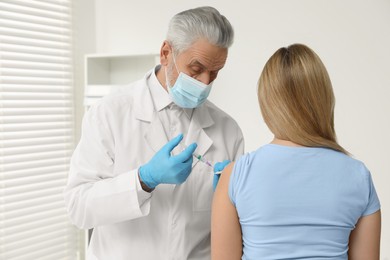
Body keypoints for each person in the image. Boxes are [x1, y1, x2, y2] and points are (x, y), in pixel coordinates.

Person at [64, 6, 244, 260]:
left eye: (214, 72)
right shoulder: (110, 113)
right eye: (196, 68)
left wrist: (230, 204)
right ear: (166, 53)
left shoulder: (228, 131)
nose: (205, 82)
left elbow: (235, 234)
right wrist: (143, 180)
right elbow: (78, 207)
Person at [211, 44, 381, 260]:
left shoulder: (236, 175)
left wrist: (228, 186)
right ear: (324, 99)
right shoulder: (359, 176)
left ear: (267, 103)